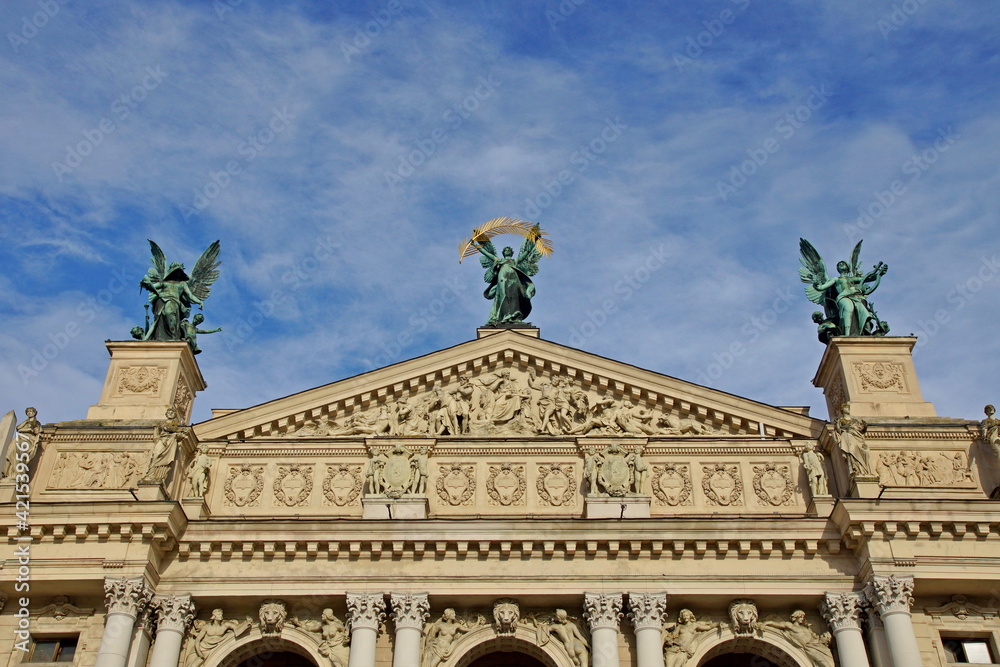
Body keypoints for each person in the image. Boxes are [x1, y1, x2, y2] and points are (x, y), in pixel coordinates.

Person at [475, 236, 541, 326]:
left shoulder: (515, 261)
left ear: (512, 252)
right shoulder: (499, 260)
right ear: (503, 252)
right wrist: (476, 246)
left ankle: (513, 316)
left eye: (509, 249)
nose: (507, 250)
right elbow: (487, 254)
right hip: (502, 279)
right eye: (506, 250)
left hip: (514, 280)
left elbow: (525, 254)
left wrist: (533, 241)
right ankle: (504, 316)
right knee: (503, 295)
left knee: (514, 297)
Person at [813, 260, 887, 336]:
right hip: (842, 297)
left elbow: (867, 278)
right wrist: (817, 286)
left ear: (847, 268)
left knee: (863, 311)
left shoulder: (852, 279)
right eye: (839, 264)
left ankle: (861, 331)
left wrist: (880, 274)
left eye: (843, 264)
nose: (841, 264)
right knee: (848, 309)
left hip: (854, 297)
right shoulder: (836, 279)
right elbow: (822, 287)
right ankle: (846, 334)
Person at [763, 611, 834, 667]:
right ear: (796, 617)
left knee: (829, 663)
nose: (802, 619)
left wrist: (824, 639)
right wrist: (765, 623)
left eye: (803, 617)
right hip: (809, 647)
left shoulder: (805, 628)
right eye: (800, 617)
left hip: (815, 645)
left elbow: (814, 636)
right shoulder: (790, 625)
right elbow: (776, 624)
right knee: (825, 664)